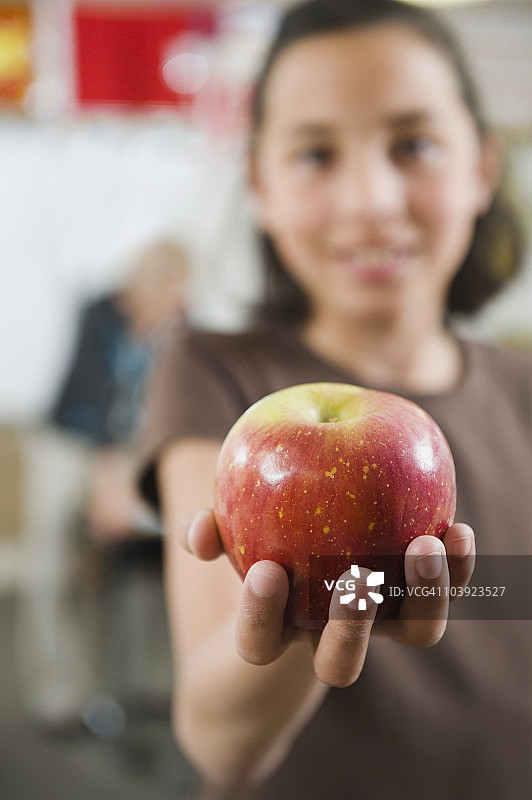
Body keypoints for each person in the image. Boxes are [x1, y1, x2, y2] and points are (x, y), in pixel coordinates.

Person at [137, 2, 531, 798]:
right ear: (261, 188)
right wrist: (289, 635)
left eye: (414, 145)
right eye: (316, 153)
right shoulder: (214, 378)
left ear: (482, 168)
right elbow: (218, 743)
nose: (371, 200)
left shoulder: (524, 393)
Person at [17, 239, 190, 733]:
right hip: (69, 444)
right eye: (166, 294)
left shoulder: (178, 329)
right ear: (140, 288)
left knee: (147, 564)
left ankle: (152, 684)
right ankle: (59, 696)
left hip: (132, 451)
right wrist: (110, 482)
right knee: (51, 567)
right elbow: (89, 400)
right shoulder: (98, 314)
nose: (174, 305)